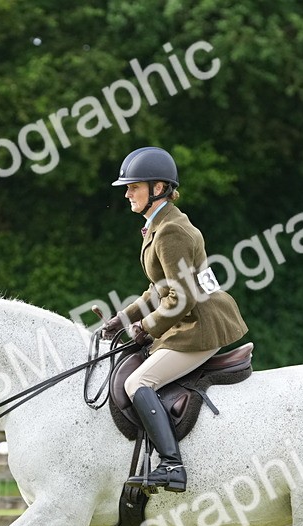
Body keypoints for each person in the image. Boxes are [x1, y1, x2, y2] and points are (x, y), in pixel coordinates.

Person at [101, 146, 248, 493]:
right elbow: (159, 288)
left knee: (137, 384)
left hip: (198, 328)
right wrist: (123, 318)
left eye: (133, 186)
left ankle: (172, 466)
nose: (126, 193)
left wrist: (145, 328)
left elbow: (180, 298)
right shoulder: (162, 224)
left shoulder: (171, 232)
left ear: (158, 188)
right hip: (187, 321)